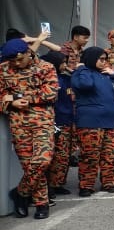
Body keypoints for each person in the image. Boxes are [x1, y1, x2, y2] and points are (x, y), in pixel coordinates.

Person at [1, 39, 58, 219]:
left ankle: (21, 193)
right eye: (13, 61)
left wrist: (15, 95)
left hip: (42, 122)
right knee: (29, 165)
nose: (16, 64)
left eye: (19, 59)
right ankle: (42, 203)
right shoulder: (3, 69)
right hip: (18, 123)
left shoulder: (45, 67)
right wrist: (11, 103)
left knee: (42, 161)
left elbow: (50, 93)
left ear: (28, 52)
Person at [72, 46, 114, 196]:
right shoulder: (80, 74)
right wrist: (82, 68)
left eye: (105, 59)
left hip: (110, 121)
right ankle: (86, 185)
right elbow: (85, 85)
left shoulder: (106, 75)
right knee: (90, 155)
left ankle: (108, 182)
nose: (104, 62)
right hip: (90, 122)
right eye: (101, 59)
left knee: (108, 155)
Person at [41, 51, 74, 198]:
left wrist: (69, 70)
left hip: (67, 120)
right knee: (56, 155)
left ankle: (58, 183)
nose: (65, 65)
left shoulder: (65, 78)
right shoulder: (50, 79)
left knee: (65, 155)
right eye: (62, 62)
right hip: (56, 121)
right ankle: (50, 185)